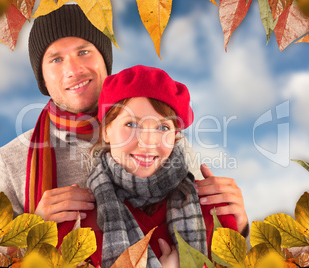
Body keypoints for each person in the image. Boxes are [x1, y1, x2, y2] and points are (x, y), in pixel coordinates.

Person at [0, 3, 249, 256]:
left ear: (105, 59)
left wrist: (239, 224)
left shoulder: (167, 146)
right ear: (42, 77)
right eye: (56, 60)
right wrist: (31, 231)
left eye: (84, 52)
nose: (74, 69)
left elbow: (213, 239)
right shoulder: (11, 161)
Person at [84, 65, 238, 267]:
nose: (148, 142)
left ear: (174, 136)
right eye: (131, 124)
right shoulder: (79, 219)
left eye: (163, 127)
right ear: (106, 131)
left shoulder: (213, 209)